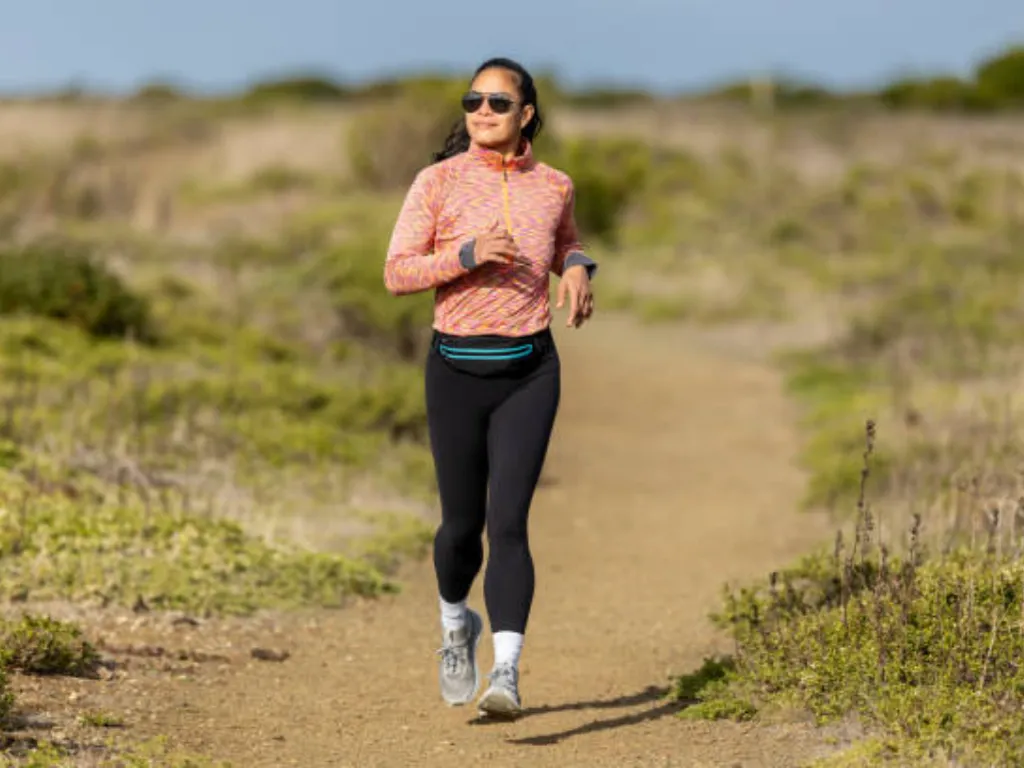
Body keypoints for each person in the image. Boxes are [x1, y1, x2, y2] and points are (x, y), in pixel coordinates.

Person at [383, 56, 597, 719]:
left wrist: (578, 266)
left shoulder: (554, 184)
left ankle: (506, 672)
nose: (482, 111)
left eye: (498, 103)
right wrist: (466, 255)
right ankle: (457, 624)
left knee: (508, 525)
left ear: (525, 114)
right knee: (460, 529)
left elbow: (565, 240)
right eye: (473, 100)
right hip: (455, 371)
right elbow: (397, 272)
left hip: (530, 372)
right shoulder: (438, 182)